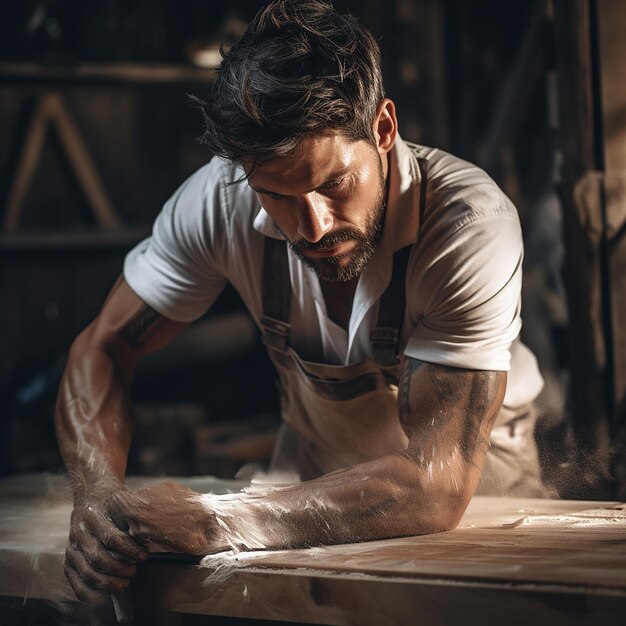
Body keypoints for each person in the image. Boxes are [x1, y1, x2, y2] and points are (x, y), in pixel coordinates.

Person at [55, 0, 546, 606]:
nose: (312, 226)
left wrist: (220, 521)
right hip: (309, 481)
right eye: (277, 197)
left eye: (334, 184)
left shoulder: (471, 223)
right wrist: (97, 496)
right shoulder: (218, 201)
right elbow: (103, 345)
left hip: (478, 484)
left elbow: (436, 485)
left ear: (384, 130)